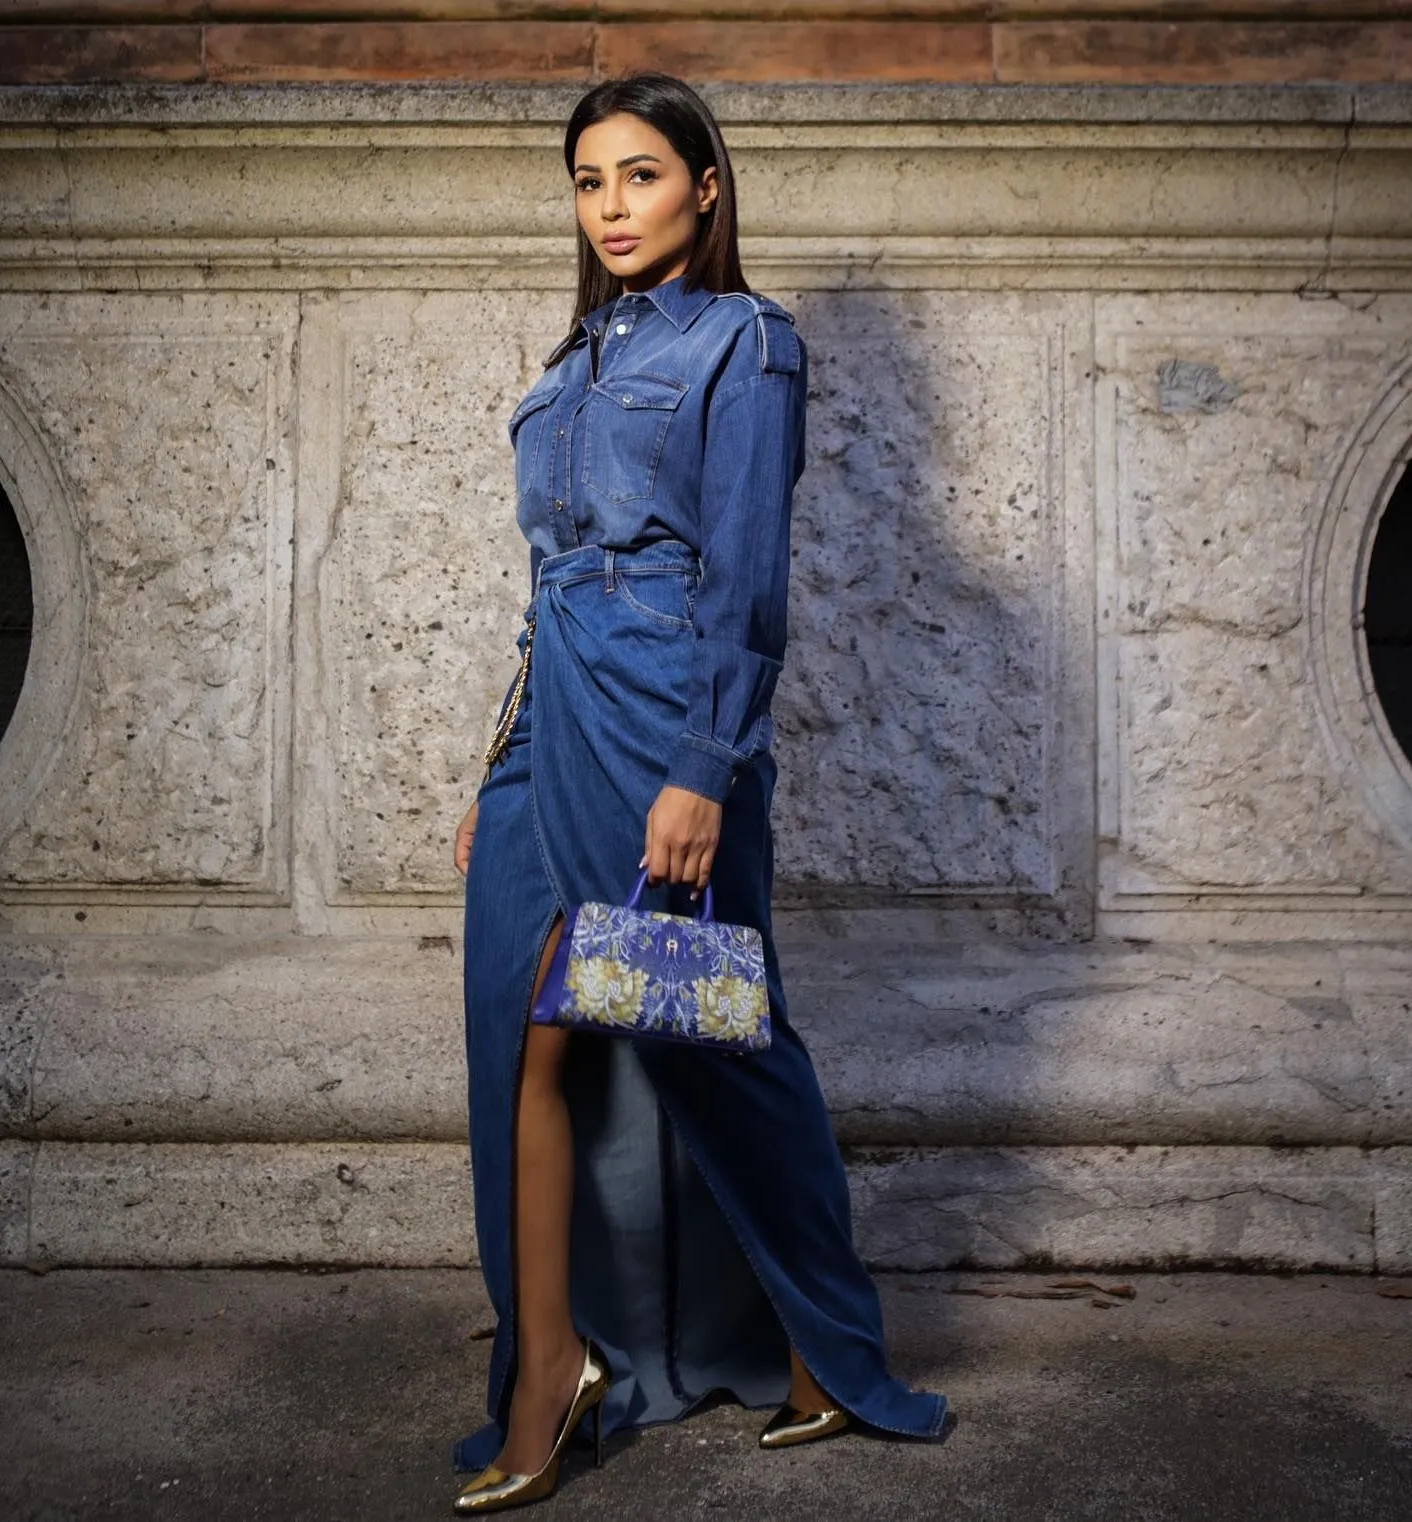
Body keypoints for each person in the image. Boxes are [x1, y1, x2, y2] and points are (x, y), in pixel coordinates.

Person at [451, 71, 951, 1514]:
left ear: (706, 186)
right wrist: (502, 765)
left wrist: (703, 768)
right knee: (523, 1038)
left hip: (670, 717)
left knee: (714, 1037)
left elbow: (741, 580)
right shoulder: (566, 370)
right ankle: (548, 1364)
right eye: (590, 181)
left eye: (642, 176)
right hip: (552, 726)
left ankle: (823, 1345)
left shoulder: (746, 344)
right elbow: (544, 595)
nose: (613, 207)